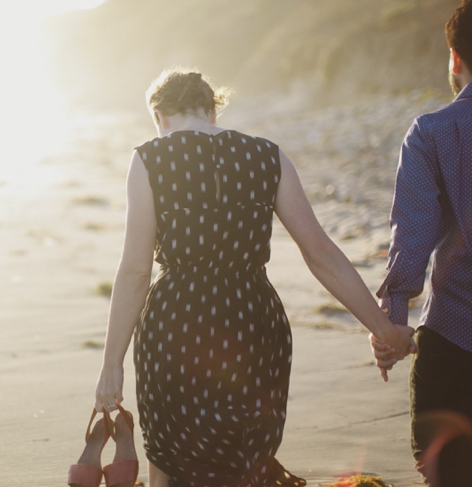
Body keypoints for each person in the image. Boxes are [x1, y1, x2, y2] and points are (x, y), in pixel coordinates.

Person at [92, 67, 416, 486]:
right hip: (253, 319)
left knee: (170, 456)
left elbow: (136, 271)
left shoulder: (150, 158)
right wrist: (383, 329)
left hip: (177, 323)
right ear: (213, 113)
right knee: (243, 454)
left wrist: (111, 364)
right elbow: (320, 254)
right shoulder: (267, 155)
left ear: (161, 119)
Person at [371, 0, 471, 487]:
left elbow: (411, 237)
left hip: (455, 337)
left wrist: (393, 328)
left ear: (455, 58)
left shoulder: (433, 132)